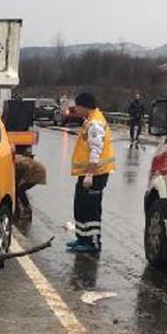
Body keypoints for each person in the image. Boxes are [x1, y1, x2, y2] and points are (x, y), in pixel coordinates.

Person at [67, 92, 116, 253]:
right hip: (89, 172)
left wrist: (89, 175)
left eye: (77, 107)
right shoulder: (90, 119)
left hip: (96, 174)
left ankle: (92, 242)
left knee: (91, 209)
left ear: (83, 106)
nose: (76, 110)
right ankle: (82, 238)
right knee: (80, 205)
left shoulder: (95, 123)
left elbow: (96, 150)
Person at [13, 153, 47, 220]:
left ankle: (27, 210)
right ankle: (18, 210)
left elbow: (25, 170)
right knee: (17, 190)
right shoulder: (16, 161)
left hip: (37, 173)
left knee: (20, 190)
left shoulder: (19, 163)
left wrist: (21, 181)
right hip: (33, 171)